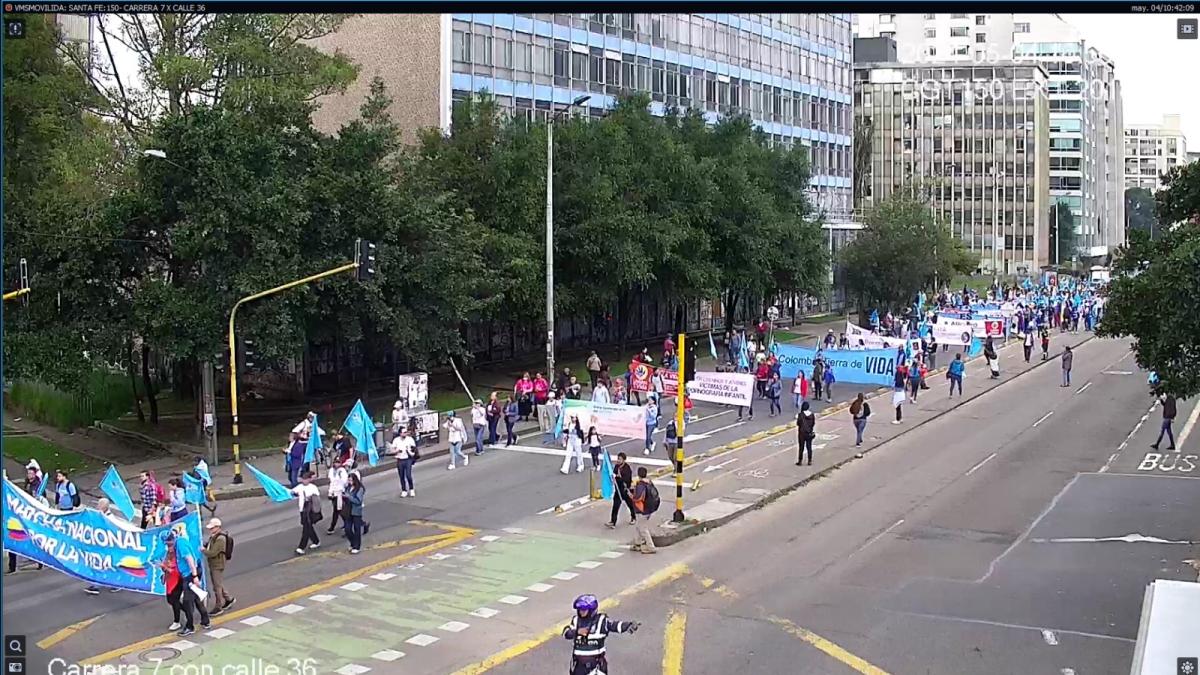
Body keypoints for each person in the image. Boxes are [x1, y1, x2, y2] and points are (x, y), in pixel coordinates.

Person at [563, 594, 640, 675]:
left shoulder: (601, 621)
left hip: (596, 666)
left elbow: (614, 625)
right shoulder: (576, 621)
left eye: (584, 610)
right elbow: (566, 633)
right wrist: (577, 632)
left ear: (591, 610)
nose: (581, 612)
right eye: (579, 610)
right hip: (579, 667)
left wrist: (628, 625)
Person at [85, 499, 125, 594]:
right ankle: (96, 585)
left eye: (99, 505)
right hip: (101, 545)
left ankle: (115, 583)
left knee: (108, 565)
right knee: (99, 564)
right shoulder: (99, 516)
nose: (97, 506)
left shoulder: (110, 519)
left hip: (108, 546)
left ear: (104, 507)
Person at [203, 518, 235, 615]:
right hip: (214, 563)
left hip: (218, 564)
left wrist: (203, 550)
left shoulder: (220, 539)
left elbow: (212, 553)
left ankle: (218, 606)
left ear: (217, 527)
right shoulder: (214, 536)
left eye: (212, 528)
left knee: (217, 586)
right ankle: (228, 599)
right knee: (218, 584)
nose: (210, 530)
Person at [292, 471, 322, 556]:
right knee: (308, 527)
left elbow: (316, 499)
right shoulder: (300, 487)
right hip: (303, 510)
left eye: (306, 479)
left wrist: (309, 498)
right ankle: (316, 541)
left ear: (309, 479)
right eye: (303, 479)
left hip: (310, 511)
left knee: (306, 529)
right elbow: (292, 492)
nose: (304, 481)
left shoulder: (313, 487)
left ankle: (301, 547)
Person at [629, 467, 657, 554]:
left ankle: (651, 547)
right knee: (639, 526)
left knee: (643, 528)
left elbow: (638, 497)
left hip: (642, 509)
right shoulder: (649, 483)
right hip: (649, 508)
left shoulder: (641, 485)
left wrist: (631, 496)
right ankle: (637, 543)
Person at [607, 453, 636, 528]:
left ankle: (633, 517)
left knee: (630, 505)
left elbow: (627, 479)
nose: (618, 460)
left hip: (625, 490)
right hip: (618, 490)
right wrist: (613, 477)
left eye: (620, 459)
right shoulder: (616, 467)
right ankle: (613, 521)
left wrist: (618, 477)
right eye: (618, 459)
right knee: (615, 506)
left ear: (623, 460)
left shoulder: (627, 468)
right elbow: (614, 475)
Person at [389, 428, 417, 497]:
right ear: (400, 433)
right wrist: (397, 451)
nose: (405, 433)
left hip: (408, 459)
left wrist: (409, 450)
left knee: (408, 475)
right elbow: (392, 450)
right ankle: (404, 490)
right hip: (400, 459)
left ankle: (411, 489)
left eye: (406, 432)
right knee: (401, 476)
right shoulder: (396, 440)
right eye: (404, 432)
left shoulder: (410, 439)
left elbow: (414, 450)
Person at [326, 458, 349, 533]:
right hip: (333, 493)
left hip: (340, 493)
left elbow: (345, 482)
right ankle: (334, 527)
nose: (337, 464)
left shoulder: (342, 471)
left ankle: (347, 525)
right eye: (336, 462)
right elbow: (331, 482)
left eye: (338, 462)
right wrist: (330, 493)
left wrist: (340, 479)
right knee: (336, 511)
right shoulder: (331, 470)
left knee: (339, 510)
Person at [346, 473, 366, 554]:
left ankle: (357, 546)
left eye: (351, 480)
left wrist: (349, 497)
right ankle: (353, 542)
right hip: (348, 511)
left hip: (356, 511)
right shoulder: (348, 488)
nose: (350, 482)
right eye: (349, 480)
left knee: (357, 529)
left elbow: (358, 501)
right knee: (348, 529)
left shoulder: (359, 489)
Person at [796, 401, 816, 465]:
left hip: (802, 433)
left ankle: (800, 461)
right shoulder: (812, 415)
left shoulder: (800, 415)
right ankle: (809, 460)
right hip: (809, 433)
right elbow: (813, 423)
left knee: (801, 447)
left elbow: (798, 423)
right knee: (809, 447)